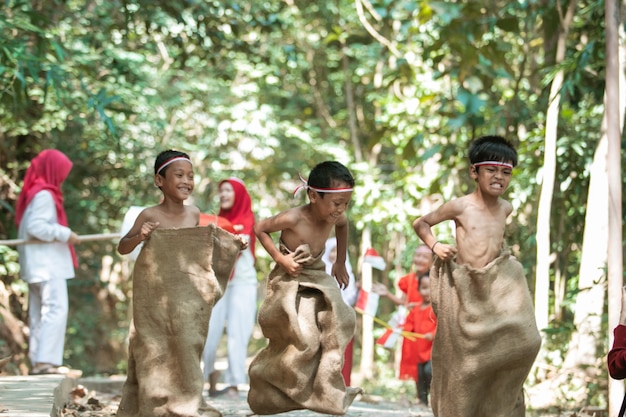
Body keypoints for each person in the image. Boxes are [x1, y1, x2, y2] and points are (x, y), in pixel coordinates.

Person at [413, 135, 541, 417]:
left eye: (506, 172)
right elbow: (421, 223)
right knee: (466, 362)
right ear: (474, 172)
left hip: (494, 290)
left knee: (529, 341)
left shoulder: (506, 208)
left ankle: (499, 405)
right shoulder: (460, 206)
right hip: (466, 290)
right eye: (491, 170)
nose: (499, 177)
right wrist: (435, 245)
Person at [247, 161, 362, 416]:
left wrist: (341, 261)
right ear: (313, 196)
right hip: (289, 275)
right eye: (336, 203)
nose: (341, 210)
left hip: (317, 273)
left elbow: (343, 226)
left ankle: (325, 390)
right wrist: (281, 259)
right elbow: (260, 228)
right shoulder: (293, 217)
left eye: (346, 203)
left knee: (340, 320)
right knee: (302, 336)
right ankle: (273, 384)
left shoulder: (337, 216)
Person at [15, 149, 80, 375]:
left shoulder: (34, 193)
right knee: (55, 309)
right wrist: (65, 234)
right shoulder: (44, 195)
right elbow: (36, 227)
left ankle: (38, 360)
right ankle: (45, 362)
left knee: (39, 313)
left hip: (37, 265)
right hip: (47, 265)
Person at [202, 177, 257, 399]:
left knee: (238, 332)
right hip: (217, 280)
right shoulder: (214, 220)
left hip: (243, 282)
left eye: (228, 190)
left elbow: (238, 241)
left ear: (239, 194)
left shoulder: (248, 219)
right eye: (221, 191)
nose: (223, 195)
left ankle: (234, 384)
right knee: (209, 330)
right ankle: (209, 377)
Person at [117, 149, 199, 255]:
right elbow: (122, 249)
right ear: (159, 180)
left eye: (190, 177)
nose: (186, 181)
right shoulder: (149, 215)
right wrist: (139, 237)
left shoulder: (194, 214)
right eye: (179, 175)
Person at [373, 244, 432, 381]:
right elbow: (403, 302)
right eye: (418, 256)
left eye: (425, 257)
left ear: (432, 260)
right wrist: (387, 293)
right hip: (413, 326)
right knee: (413, 359)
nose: (420, 259)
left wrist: (418, 305)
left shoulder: (435, 279)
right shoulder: (409, 280)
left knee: (429, 361)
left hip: (429, 325)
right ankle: (420, 397)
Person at [321, 237, 359, 385]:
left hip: (343, 319)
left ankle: (343, 384)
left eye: (339, 251)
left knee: (344, 351)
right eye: (332, 251)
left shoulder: (348, 271)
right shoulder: (321, 271)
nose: (335, 255)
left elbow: (351, 295)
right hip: (325, 317)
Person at [402, 273, 436, 406]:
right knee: (419, 374)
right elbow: (409, 324)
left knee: (429, 371)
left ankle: (434, 398)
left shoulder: (435, 309)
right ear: (419, 289)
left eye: (430, 288)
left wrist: (432, 334)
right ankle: (422, 400)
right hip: (418, 349)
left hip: (432, 349)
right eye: (424, 288)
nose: (427, 291)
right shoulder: (415, 309)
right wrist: (405, 330)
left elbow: (440, 325)